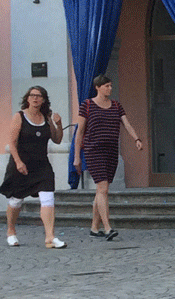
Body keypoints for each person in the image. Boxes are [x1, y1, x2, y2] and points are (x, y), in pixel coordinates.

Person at [73, 75, 144, 242]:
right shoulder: (87, 105)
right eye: (106, 86)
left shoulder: (116, 106)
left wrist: (137, 139)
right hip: (93, 150)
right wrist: (77, 157)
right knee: (102, 188)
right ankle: (107, 228)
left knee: (101, 191)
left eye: (111, 86)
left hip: (111, 151)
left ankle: (94, 228)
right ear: (97, 87)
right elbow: (80, 132)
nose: (110, 89)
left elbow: (126, 124)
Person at [2, 86, 65, 248]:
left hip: (42, 166)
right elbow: (12, 142)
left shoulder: (46, 117)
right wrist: (18, 162)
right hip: (22, 164)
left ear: (44, 99)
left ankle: (50, 237)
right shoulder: (20, 116)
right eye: (32, 95)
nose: (35, 98)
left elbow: (56, 139)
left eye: (39, 96)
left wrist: (59, 124)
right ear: (27, 98)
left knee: (48, 198)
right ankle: (11, 231)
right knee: (16, 201)